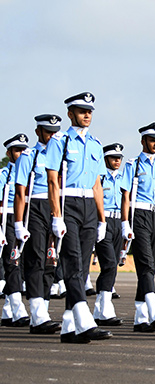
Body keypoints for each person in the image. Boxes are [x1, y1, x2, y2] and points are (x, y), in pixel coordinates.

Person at [46, 92, 113, 343]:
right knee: (72, 262)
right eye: (81, 110)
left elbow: (97, 185)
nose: (87, 115)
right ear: (70, 113)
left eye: (90, 111)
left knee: (82, 267)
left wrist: (102, 219)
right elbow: (53, 181)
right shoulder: (60, 141)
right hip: (68, 204)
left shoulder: (96, 144)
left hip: (88, 207)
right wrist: (56, 215)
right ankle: (85, 321)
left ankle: (68, 326)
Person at [12, 115, 64, 335]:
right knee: (36, 259)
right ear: (38, 132)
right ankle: (37, 311)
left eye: (55, 132)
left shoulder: (60, 154)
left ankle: (43, 311)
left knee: (52, 261)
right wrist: (18, 223)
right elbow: (20, 192)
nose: (52, 136)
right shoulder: (29, 156)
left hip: (57, 207)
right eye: (47, 131)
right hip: (35, 207)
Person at [122, 123, 155, 333]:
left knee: (150, 268)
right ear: (143, 141)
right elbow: (125, 196)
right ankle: (154, 310)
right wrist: (125, 222)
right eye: (152, 140)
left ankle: (140, 317)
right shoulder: (132, 165)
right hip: (140, 215)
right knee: (145, 263)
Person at [91, 143, 126, 327]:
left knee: (113, 266)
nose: (117, 161)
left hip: (119, 221)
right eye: (113, 158)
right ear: (106, 159)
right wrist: (98, 222)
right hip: (103, 222)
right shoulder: (100, 178)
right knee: (109, 264)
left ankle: (100, 308)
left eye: (119, 158)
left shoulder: (123, 178)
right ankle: (105, 307)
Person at [2, 133, 30, 328]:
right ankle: (17, 309)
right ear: (9, 153)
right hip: (9, 219)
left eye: (23, 150)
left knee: (25, 265)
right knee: (12, 263)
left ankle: (7, 311)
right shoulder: (4, 175)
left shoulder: (31, 171)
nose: (21, 153)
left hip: (29, 218)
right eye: (17, 150)